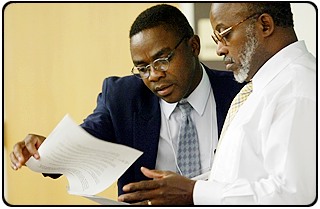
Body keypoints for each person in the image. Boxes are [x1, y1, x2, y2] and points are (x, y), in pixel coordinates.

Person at [9, 4, 244, 196]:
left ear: (193, 46)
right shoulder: (123, 97)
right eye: (142, 68)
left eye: (162, 60)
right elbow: (83, 142)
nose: (154, 75)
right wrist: (46, 151)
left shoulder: (241, 92)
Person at [117, 2, 316, 205]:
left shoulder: (297, 89)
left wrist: (194, 192)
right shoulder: (262, 88)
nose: (220, 50)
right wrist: (174, 189)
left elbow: (295, 194)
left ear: (265, 25)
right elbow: (244, 175)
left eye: (225, 34)